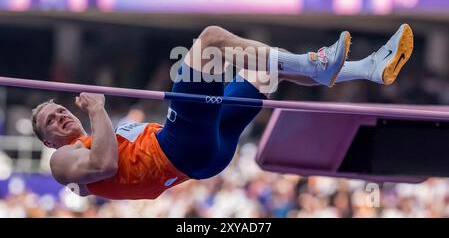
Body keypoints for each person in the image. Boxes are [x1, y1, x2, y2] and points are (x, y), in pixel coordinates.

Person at [31, 24, 413, 200]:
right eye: (50, 120)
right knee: (212, 41)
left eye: (59, 109)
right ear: (48, 140)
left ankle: (368, 69)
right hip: (180, 147)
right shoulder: (63, 159)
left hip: (208, 151)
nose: (60, 116)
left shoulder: (85, 142)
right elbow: (105, 166)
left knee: (264, 71)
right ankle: (316, 65)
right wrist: (98, 110)